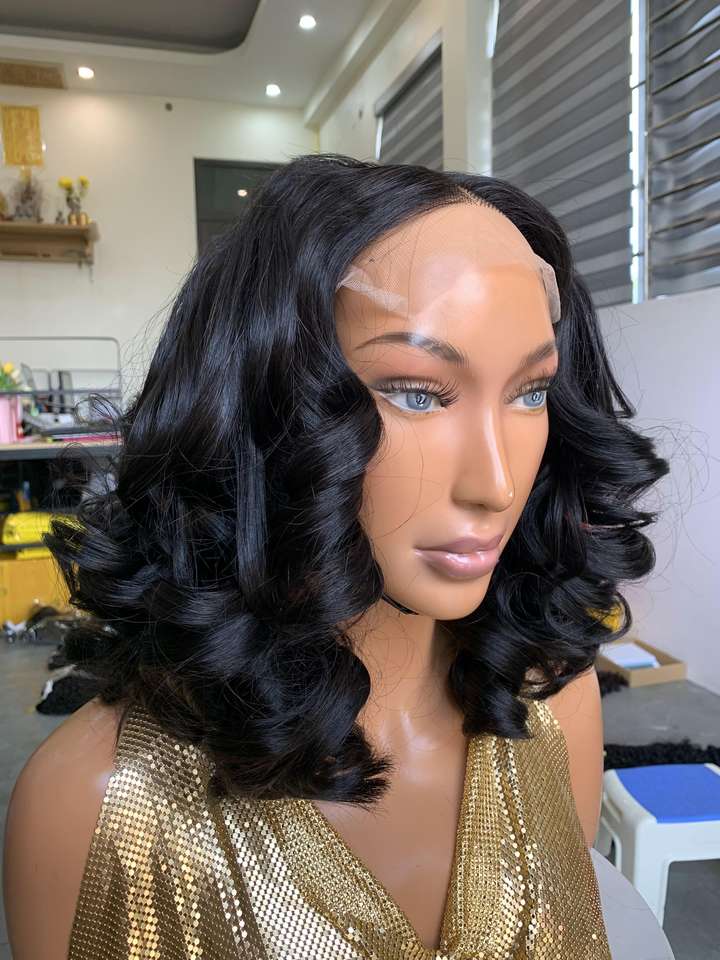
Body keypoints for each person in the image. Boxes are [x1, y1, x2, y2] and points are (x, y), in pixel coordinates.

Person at [3, 154, 669, 959]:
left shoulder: (554, 711)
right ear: (263, 404)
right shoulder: (95, 808)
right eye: (418, 393)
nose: (497, 484)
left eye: (530, 392)